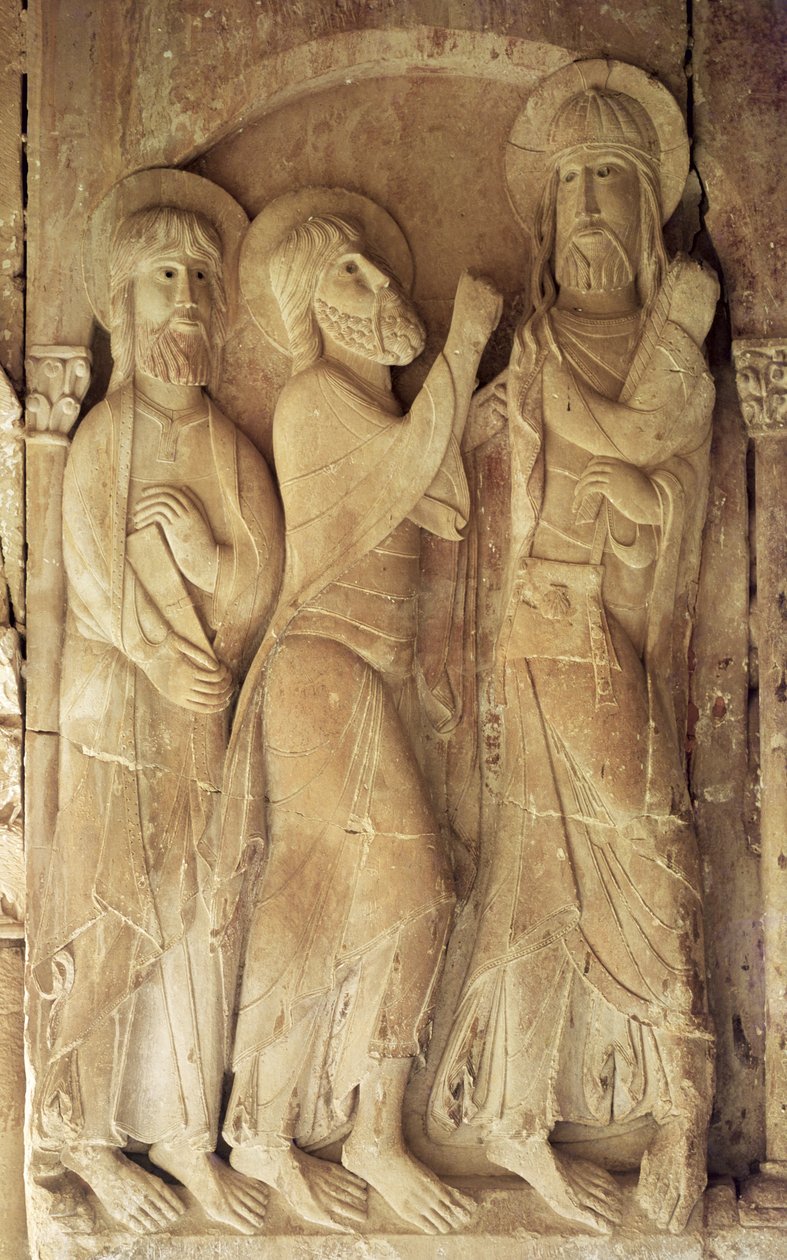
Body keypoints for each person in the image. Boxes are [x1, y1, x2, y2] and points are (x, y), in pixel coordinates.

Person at [427, 61, 719, 1235]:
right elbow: (478, 488)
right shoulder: (532, 354)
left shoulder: (670, 359)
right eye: (570, 183)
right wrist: (494, 425)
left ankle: (643, 1114)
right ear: (546, 220)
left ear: (648, 210)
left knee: (636, 857)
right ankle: (568, 1121)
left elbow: (671, 494)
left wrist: (630, 497)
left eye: (611, 177)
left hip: (615, 638)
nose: (590, 203)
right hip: (541, 630)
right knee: (563, 874)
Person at [216, 195, 502, 1234]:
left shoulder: (372, 416)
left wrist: (465, 391)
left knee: (345, 896)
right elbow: (409, 473)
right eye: (349, 273)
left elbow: (445, 501)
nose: (379, 285)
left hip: (362, 680)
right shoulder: (309, 404)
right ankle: (333, 1128)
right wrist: (465, 345)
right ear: (309, 305)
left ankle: (293, 1124)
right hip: (319, 668)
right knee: (396, 890)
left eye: (377, 269)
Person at [31, 187, 282, 1236]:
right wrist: (153, 654)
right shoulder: (106, 435)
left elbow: (260, 579)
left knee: (198, 916)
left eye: (199, 281)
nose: (185, 298)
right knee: (112, 909)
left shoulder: (228, 446)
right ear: (124, 308)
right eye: (162, 279)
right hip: (115, 709)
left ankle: (185, 1135)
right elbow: (89, 572)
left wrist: (204, 555)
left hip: (197, 708)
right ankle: (83, 1133)